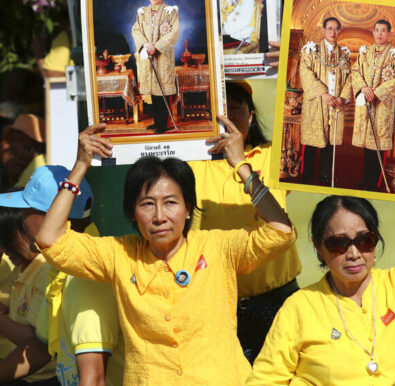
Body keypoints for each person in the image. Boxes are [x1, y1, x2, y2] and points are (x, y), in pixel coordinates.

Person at [34, 118, 296, 384]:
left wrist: (242, 167)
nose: (159, 216)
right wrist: (80, 166)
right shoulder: (120, 254)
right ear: (133, 214)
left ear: (188, 208)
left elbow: (280, 232)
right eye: (147, 204)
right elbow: (50, 239)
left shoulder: (217, 247)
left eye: (170, 202)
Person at [247, 171, 395, 384]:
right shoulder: (300, 306)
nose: (354, 254)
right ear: (319, 247)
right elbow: (265, 380)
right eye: (339, 243)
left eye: (364, 241)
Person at [188, 80, 302, 364]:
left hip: (277, 300)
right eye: (218, 110)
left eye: (235, 109)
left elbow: (315, 124)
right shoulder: (188, 165)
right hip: (215, 304)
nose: (226, 118)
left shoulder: (271, 154)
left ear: (251, 116)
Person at [0, 165, 124, 385]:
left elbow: (94, 377)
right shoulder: (60, 266)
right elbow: (40, 348)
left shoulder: (86, 274)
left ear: (54, 215)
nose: (21, 219)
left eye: (27, 210)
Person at [0, 207, 57, 384]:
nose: (3, 248)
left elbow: (35, 341)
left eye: (8, 239)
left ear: (30, 232)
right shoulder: (22, 267)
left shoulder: (46, 271)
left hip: (40, 377)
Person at [351, 20, 395, 191]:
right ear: (373, 33)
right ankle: (367, 180)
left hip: (382, 106)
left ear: (389, 34)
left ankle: (375, 183)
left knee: (378, 144)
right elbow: (355, 72)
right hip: (366, 103)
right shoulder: (365, 52)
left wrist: (377, 92)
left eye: (383, 31)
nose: (379, 34)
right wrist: (363, 88)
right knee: (367, 146)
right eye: (377, 30)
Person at [299, 17, 352, 186]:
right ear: (323, 30)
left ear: (339, 31)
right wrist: (323, 93)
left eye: (336, 29)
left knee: (330, 143)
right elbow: (305, 74)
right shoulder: (310, 50)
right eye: (329, 28)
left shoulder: (344, 54)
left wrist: (342, 97)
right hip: (317, 102)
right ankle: (307, 177)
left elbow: (350, 78)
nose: (333, 32)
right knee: (313, 141)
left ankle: (325, 177)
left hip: (335, 104)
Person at [132, 0, 180, 134]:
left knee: (162, 92)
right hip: (148, 56)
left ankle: (162, 125)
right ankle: (157, 121)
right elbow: (136, 30)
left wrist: (156, 46)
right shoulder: (142, 12)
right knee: (153, 92)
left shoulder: (170, 12)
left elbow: (174, 33)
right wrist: (145, 44)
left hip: (163, 56)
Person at [3, 113, 46, 188]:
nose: (13, 145)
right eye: (12, 139)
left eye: (20, 139)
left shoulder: (38, 165)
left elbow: (14, 197)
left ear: (36, 144)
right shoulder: (15, 165)